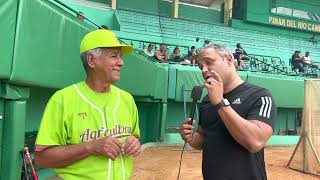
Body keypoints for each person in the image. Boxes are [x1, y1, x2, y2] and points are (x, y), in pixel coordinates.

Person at [35, 29, 141, 179]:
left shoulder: (127, 99)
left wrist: (134, 143)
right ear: (92, 60)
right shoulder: (62, 100)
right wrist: (90, 147)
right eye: (114, 56)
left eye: (121, 57)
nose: (121, 62)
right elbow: (42, 158)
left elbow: (135, 137)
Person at [179, 44, 276, 180]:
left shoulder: (260, 96)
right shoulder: (207, 100)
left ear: (229, 59)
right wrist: (191, 137)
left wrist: (220, 103)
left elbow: (255, 141)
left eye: (208, 62)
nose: (204, 70)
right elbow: (203, 139)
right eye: (201, 67)